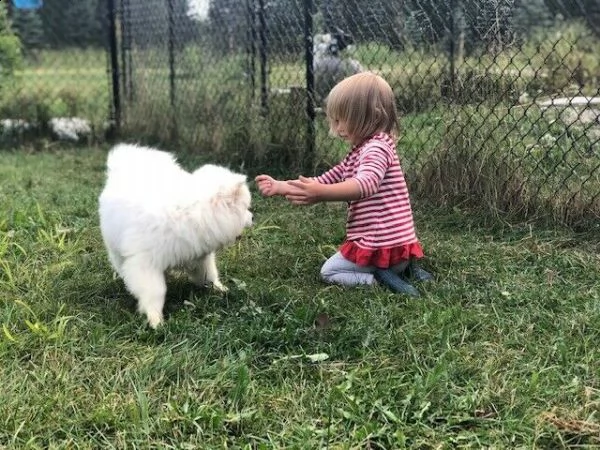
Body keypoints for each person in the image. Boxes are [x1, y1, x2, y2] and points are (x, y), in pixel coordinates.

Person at [255, 72, 432, 296]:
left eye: (341, 119)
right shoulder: (364, 150)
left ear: (370, 116)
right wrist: (281, 186)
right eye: (334, 120)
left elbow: (366, 185)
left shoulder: (375, 149)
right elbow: (323, 180)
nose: (336, 128)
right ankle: (407, 270)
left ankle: (379, 279)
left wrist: (322, 194)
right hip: (399, 249)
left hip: (380, 248)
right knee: (385, 258)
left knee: (329, 272)